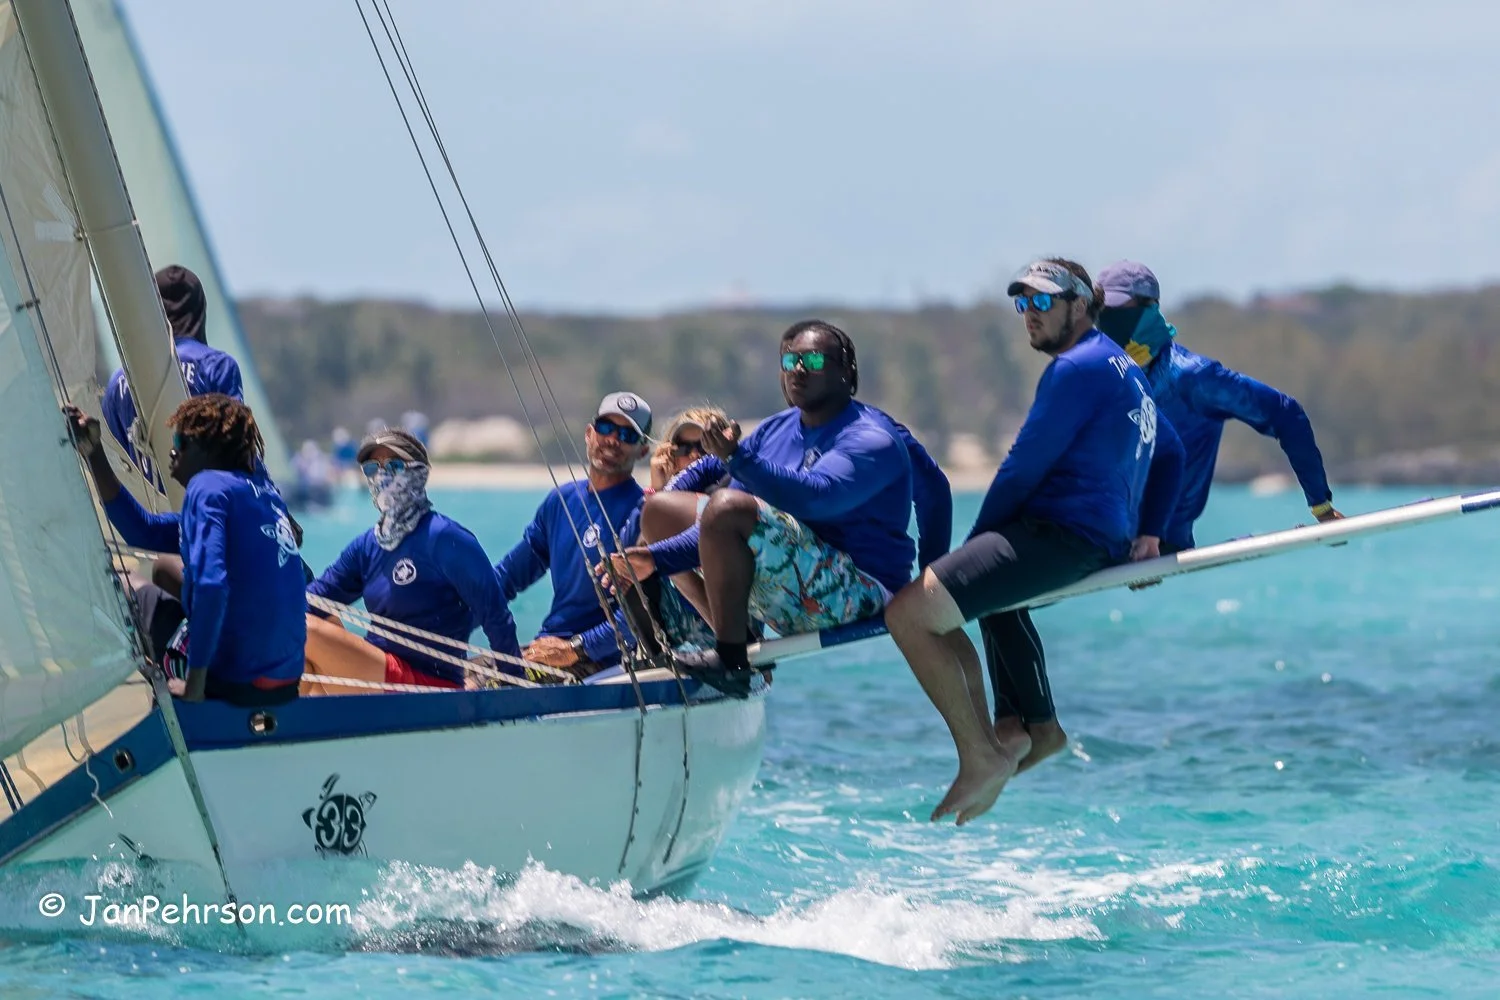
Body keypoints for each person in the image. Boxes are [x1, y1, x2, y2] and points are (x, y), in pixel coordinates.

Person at [883, 258, 1184, 826]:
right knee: (997, 601)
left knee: (909, 615)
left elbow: (1022, 468)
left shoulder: (1075, 368)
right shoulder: (1123, 368)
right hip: (1087, 536)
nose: (1029, 314)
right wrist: (1150, 533)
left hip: (1063, 534)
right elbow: (1170, 452)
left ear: (1081, 304)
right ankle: (1031, 727)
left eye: (1043, 301)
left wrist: (973, 547)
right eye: (1022, 303)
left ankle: (980, 754)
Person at [624, 320, 951, 696]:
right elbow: (717, 510)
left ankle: (730, 661)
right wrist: (653, 553)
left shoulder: (872, 437)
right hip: (797, 585)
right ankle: (735, 639)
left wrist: (931, 583)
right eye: (789, 361)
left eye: (813, 360)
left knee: (727, 506)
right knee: (660, 513)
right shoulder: (776, 429)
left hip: (858, 591)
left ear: (847, 372)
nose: (798, 369)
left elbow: (816, 496)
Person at [64, 395, 306, 706]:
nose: (173, 449)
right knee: (165, 567)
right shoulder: (262, 497)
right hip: (285, 681)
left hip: (237, 683)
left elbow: (211, 586)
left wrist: (195, 686)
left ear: (209, 450)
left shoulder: (206, 488)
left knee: (121, 584)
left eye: (181, 441)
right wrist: (94, 453)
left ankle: (169, 697)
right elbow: (144, 531)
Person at [1095, 261, 1342, 551]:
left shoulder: (1192, 377)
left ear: (1150, 308)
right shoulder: (1102, 373)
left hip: (1160, 544)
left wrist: (1321, 506)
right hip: (1097, 537)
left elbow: (1286, 414)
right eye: (1100, 312)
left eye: (1116, 310)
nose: (1106, 321)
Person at [302, 428, 521, 693]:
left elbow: (495, 614)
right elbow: (312, 600)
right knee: (307, 623)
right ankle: (276, 711)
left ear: (419, 473)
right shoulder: (367, 546)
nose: (382, 476)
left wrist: (514, 684)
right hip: (381, 674)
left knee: (304, 628)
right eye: (372, 468)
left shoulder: (445, 537)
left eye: (393, 466)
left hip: (430, 684)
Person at [495, 392, 652, 674]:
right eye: (606, 428)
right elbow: (508, 577)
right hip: (547, 646)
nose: (613, 440)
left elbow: (641, 618)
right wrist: (455, 611)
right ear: (589, 434)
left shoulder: (643, 514)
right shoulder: (561, 501)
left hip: (601, 661)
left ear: (642, 451)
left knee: (481, 687)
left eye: (627, 435)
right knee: (456, 677)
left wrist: (574, 649)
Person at [102, 265, 245, 485]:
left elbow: (115, 465)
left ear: (150, 310)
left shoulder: (119, 380)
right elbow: (237, 452)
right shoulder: (217, 366)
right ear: (200, 310)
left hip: (146, 506)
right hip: (204, 504)